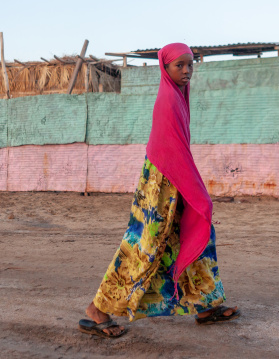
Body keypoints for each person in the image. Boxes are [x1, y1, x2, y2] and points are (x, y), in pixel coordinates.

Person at [78, 43, 240, 338]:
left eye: (190, 65)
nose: (187, 71)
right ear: (165, 68)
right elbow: (171, 151)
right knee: (145, 245)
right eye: (180, 66)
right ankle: (97, 309)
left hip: (174, 177)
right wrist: (196, 191)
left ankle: (205, 305)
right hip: (162, 182)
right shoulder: (168, 99)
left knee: (192, 234)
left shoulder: (179, 96)